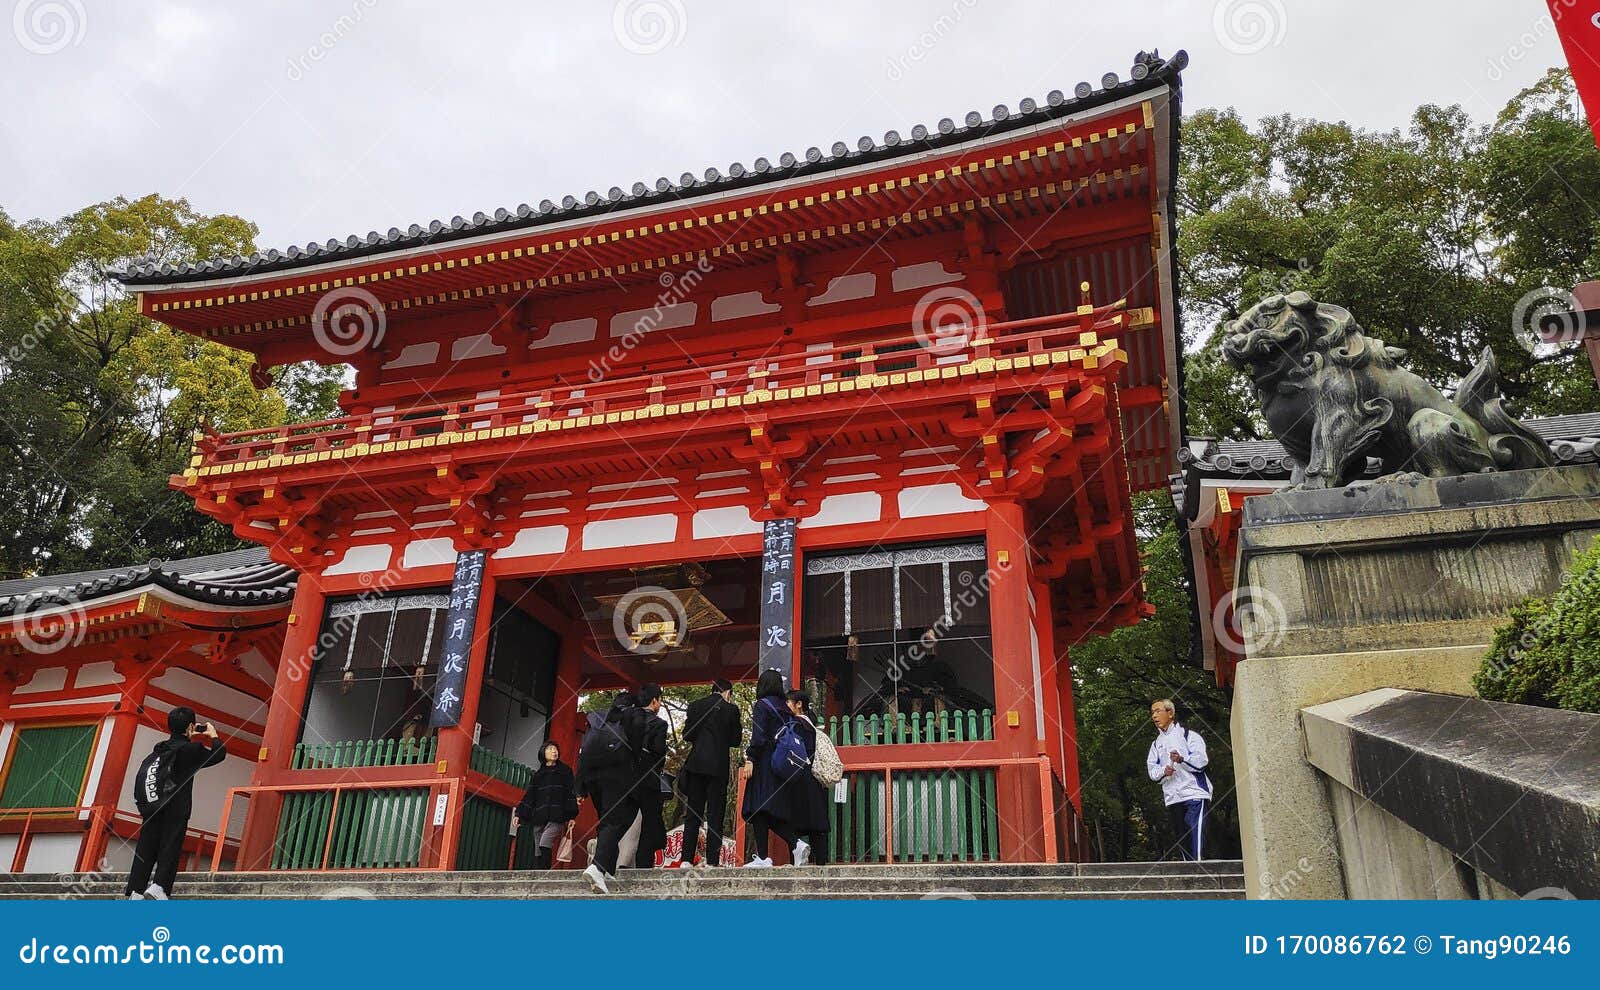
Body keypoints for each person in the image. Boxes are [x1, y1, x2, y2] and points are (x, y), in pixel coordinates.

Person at [124, 707, 227, 900]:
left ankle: (135, 891)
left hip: (152, 805)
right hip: (175, 808)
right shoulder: (191, 749)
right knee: (170, 847)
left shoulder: (159, 749)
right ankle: (159, 887)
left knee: (145, 849)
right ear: (190, 726)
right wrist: (212, 734)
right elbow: (219, 754)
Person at [577, 689, 648, 894]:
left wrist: (579, 786)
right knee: (618, 819)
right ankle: (597, 867)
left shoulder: (599, 718)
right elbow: (635, 746)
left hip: (593, 778)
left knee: (607, 820)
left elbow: (583, 752)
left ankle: (607, 866)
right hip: (618, 776)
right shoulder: (635, 715)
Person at [674, 678, 742, 867]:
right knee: (716, 815)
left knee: (693, 813)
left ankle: (686, 859)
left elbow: (687, 734)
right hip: (718, 767)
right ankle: (712, 860)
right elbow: (736, 740)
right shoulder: (731, 710)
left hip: (696, 766)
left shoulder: (696, 706)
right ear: (727, 693)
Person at [739, 668, 798, 868]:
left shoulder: (762, 705)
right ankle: (795, 844)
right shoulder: (787, 709)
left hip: (764, 762)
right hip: (782, 765)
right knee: (767, 810)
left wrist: (750, 758)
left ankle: (764, 857)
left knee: (757, 808)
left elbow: (758, 736)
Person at [1146, 698, 1212, 861]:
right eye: (1152, 712)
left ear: (1170, 713)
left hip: (1194, 791)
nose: (1154, 715)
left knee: (1194, 829)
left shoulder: (1189, 735)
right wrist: (1164, 771)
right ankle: (1188, 867)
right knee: (1181, 835)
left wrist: (1182, 759)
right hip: (1173, 795)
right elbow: (1152, 770)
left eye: (1158, 711)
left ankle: (1197, 867)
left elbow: (1201, 761)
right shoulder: (1156, 744)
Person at [513, 741, 579, 870]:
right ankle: (540, 873)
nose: (554, 751)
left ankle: (545, 873)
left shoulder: (565, 772)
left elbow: (571, 793)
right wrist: (519, 814)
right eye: (550, 749)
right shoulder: (539, 775)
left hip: (557, 816)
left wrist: (572, 816)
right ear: (543, 753)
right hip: (540, 816)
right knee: (538, 849)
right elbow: (530, 796)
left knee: (545, 843)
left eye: (555, 749)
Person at [784, 690, 831, 866]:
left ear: (799, 704)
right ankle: (821, 860)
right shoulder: (812, 726)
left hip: (798, 775)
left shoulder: (794, 724)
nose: (786, 705)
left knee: (796, 819)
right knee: (816, 819)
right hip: (814, 776)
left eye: (788, 702)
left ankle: (798, 858)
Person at [632, 683, 669, 869]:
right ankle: (643, 863)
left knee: (623, 821)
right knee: (649, 821)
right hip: (648, 779)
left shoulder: (628, 720)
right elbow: (659, 750)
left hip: (627, 779)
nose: (660, 704)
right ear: (654, 701)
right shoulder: (659, 724)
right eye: (660, 700)